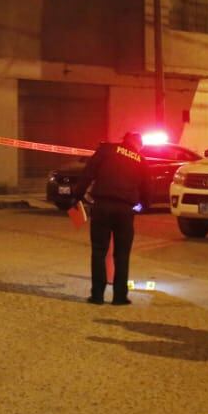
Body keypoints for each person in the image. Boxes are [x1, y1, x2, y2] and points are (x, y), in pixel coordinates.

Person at [73, 131, 149, 306]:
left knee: (99, 251)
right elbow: (147, 193)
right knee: (122, 255)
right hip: (125, 210)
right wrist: (138, 208)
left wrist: (77, 196)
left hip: (102, 206)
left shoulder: (106, 150)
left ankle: (97, 296)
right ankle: (120, 297)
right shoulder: (141, 160)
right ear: (139, 145)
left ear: (124, 140)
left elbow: (88, 173)